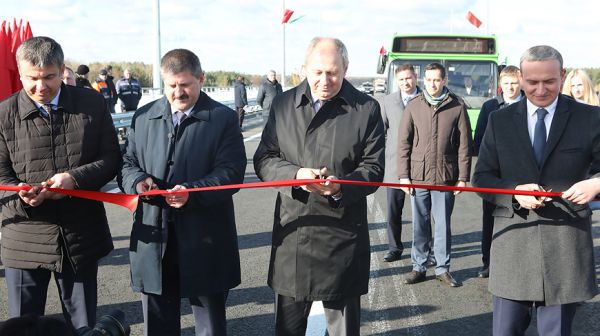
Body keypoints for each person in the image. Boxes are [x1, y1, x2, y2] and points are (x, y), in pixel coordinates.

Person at [254, 37, 385, 336]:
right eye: (317, 72)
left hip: (342, 232)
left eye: (333, 72)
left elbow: (374, 169)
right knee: (287, 328)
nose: (324, 80)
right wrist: (297, 174)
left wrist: (340, 187)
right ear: (304, 69)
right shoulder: (284, 103)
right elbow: (264, 159)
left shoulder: (366, 108)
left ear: (346, 69)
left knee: (343, 329)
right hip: (294, 231)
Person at [472, 45, 600, 336]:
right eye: (532, 82)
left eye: (549, 82)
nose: (540, 90)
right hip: (513, 248)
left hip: (565, 247)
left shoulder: (590, 117)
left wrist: (596, 183)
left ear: (562, 75)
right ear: (520, 77)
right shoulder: (499, 120)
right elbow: (481, 178)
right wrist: (514, 191)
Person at [119, 48, 246, 336]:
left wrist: (191, 191)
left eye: (185, 84)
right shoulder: (144, 116)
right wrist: (138, 181)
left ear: (201, 79)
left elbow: (231, 172)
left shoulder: (223, 118)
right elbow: (127, 162)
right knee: (158, 323)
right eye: (172, 85)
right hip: (153, 235)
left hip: (205, 236)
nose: (178, 92)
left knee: (209, 325)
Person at [0, 36, 120, 333]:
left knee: (83, 326)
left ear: (61, 69)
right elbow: (1, 178)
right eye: (32, 79)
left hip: (79, 235)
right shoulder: (3, 114)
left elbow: (111, 159)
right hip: (24, 240)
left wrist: (74, 179)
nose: (41, 87)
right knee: (21, 328)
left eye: (49, 77)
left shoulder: (91, 103)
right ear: (20, 73)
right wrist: (24, 197)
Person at [397, 62, 472, 288]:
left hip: (445, 177)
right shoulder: (414, 106)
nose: (432, 84)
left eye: (437, 80)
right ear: (424, 80)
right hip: (418, 176)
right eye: (428, 80)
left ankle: (442, 268)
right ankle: (418, 266)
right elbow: (403, 143)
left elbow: (464, 146)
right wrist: (404, 175)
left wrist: (463, 177)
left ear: (445, 80)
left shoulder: (457, 106)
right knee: (420, 224)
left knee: (443, 225)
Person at [472, 65, 524, 278]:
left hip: (521, 174)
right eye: (506, 83)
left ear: (520, 82)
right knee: (490, 220)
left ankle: (518, 263)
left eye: (514, 83)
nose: (510, 87)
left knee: (521, 219)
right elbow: (480, 140)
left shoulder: (530, 106)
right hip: (494, 174)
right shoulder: (490, 107)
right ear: (500, 85)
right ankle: (489, 263)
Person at [377, 64, 421, 263]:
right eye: (401, 79)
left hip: (421, 165)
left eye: (409, 78)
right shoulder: (387, 101)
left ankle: (422, 250)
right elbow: (381, 132)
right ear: (397, 80)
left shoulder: (425, 98)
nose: (405, 82)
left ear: (416, 77)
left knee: (422, 213)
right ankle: (394, 248)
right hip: (394, 166)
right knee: (394, 211)